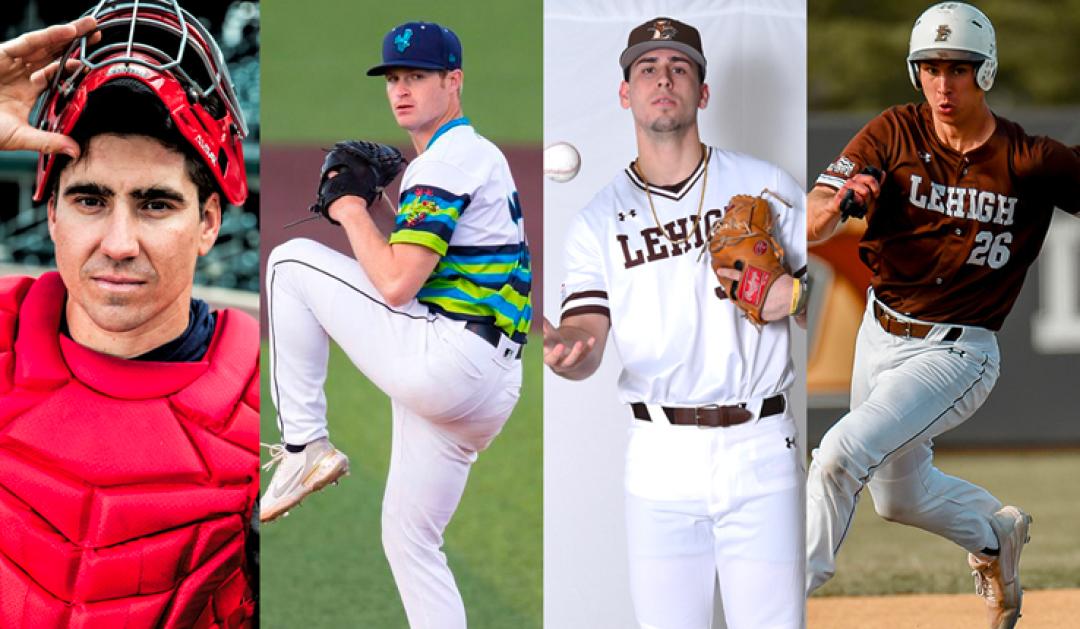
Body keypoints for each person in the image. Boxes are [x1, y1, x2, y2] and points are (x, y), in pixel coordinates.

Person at [804, 3, 1080, 627]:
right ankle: (993, 535)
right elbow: (817, 212)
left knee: (839, 455)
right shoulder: (893, 132)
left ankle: (777, 597)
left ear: (986, 73)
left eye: (959, 68)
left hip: (958, 351)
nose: (944, 83)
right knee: (897, 499)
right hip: (879, 332)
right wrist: (841, 201)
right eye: (930, 67)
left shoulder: (1028, 160)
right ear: (914, 73)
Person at [260, 20, 531, 629]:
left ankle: (304, 444)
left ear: (453, 81)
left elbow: (394, 283)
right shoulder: (472, 156)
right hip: (487, 384)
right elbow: (424, 272)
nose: (402, 89)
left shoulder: (446, 162)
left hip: (448, 362)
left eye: (418, 76)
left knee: (289, 263)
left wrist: (349, 206)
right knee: (409, 542)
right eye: (394, 78)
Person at [0, 2, 258, 628]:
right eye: (91, 199)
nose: (119, 243)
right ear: (52, 213)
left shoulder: (273, 395)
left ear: (207, 223)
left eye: (155, 204)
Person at [544, 16, 807, 629]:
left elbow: (823, 289)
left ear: (702, 92)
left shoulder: (763, 184)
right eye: (647, 69)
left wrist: (790, 295)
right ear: (625, 93)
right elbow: (587, 330)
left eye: (679, 68)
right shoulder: (597, 220)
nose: (663, 78)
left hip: (760, 441)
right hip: (660, 454)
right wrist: (570, 348)